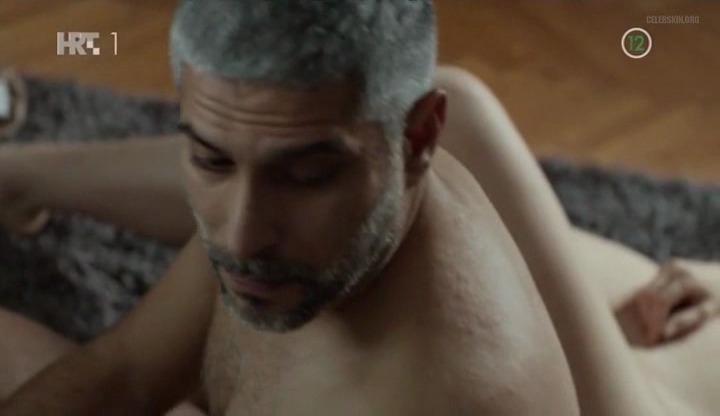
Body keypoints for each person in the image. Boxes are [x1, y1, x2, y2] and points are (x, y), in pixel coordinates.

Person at [0, 1, 718, 415]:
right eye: (212, 159)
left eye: (307, 175)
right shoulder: (278, 233)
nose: (241, 234)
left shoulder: (457, 391)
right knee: (424, 108)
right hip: (647, 315)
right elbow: (126, 370)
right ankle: (17, 177)